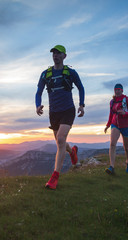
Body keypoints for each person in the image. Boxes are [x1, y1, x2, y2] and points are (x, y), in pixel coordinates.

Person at [35, 45, 85, 190]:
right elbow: (38, 92)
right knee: (60, 143)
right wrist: (38, 105)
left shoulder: (70, 72)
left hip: (68, 110)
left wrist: (81, 105)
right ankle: (72, 152)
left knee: (61, 139)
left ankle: (54, 177)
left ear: (64, 56)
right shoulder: (46, 74)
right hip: (54, 113)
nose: (55, 55)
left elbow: (81, 87)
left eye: (58, 53)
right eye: (53, 53)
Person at [104, 83, 128, 174]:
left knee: (126, 147)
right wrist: (108, 125)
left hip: (126, 126)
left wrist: (125, 113)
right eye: (116, 90)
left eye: (119, 89)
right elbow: (111, 114)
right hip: (115, 125)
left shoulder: (126, 100)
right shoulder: (112, 101)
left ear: (122, 90)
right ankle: (111, 167)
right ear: (114, 91)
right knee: (112, 144)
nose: (117, 91)